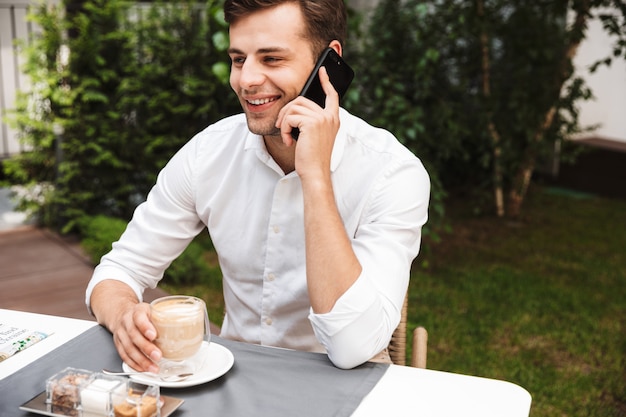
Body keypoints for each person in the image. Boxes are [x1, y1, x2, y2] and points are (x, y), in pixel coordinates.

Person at [86, 0, 430, 371]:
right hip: (235, 377)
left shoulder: (392, 172)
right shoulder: (208, 153)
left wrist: (314, 176)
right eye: (238, 59)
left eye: (271, 59)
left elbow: (352, 348)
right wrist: (122, 314)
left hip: (351, 388)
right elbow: (120, 269)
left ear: (328, 63)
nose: (246, 80)